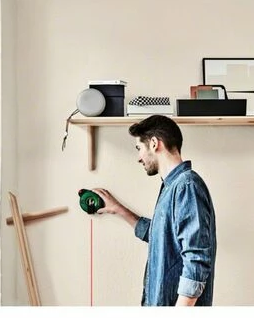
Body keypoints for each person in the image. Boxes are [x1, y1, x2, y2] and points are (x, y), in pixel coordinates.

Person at [93, 114, 217, 306]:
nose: (138, 158)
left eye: (139, 148)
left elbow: (196, 260)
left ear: (153, 143)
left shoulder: (186, 186)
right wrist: (118, 209)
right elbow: (160, 235)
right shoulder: (172, 187)